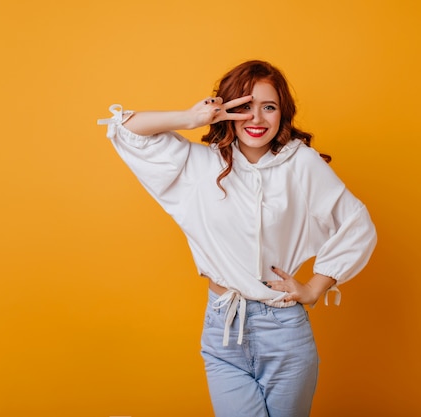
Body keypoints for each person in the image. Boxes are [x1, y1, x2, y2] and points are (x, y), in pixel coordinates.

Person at [97, 60, 377, 417]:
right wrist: (189, 118)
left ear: (282, 113)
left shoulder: (302, 164)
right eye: (244, 106)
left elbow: (357, 224)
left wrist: (314, 288)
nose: (256, 118)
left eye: (268, 107)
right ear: (225, 109)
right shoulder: (196, 165)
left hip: (284, 331)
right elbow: (126, 129)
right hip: (222, 329)